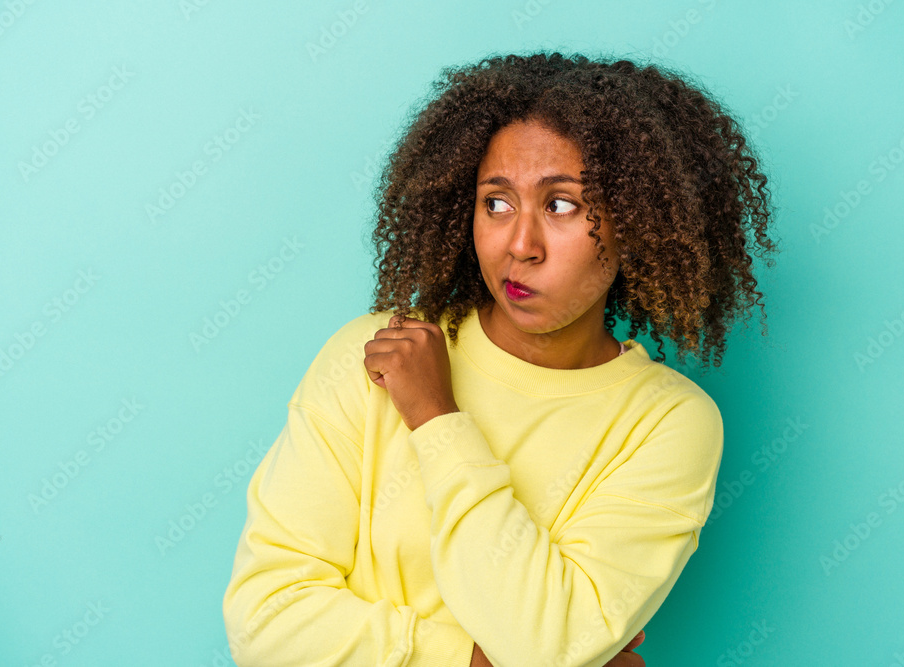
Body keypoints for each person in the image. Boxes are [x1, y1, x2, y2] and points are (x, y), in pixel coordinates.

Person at [223, 51, 777, 666]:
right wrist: (475, 661)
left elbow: (547, 645)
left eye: (561, 205)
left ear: (639, 219)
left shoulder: (667, 423)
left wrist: (436, 418)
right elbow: (266, 623)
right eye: (497, 203)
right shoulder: (379, 352)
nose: (521, 244)